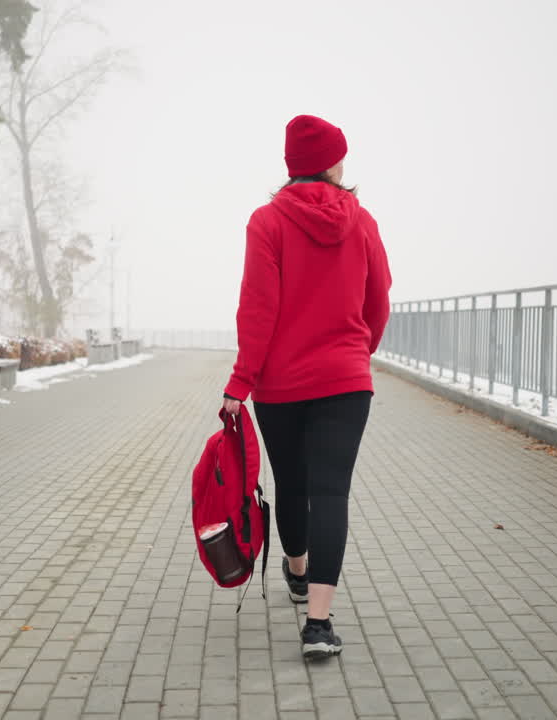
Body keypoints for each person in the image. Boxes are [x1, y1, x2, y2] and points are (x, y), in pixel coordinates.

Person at [221, 114, 392, 659]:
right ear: (331, 163)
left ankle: (296, 573)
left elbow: (258, 309)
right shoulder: (361, 221)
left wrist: (240, 382)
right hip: (346, 381)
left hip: (281, 383)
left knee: (292, 483)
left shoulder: (267, 222)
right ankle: (318, 624)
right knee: (331, 492)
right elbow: (379, 299)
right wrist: (356, 355)